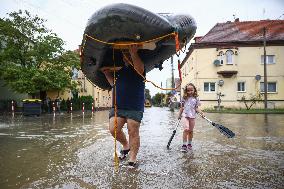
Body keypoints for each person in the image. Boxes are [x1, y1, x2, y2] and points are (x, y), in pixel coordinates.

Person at [101, 45, 145, 168]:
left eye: (127, 54)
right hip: (118, 105)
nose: (126, 56)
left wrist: (133, 53)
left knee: (133, 130)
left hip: (134, 105)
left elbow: (140, 70)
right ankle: (126, 145)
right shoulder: (119, 70)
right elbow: (114, 84)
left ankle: (132, 158)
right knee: (113, 129)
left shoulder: (139, 66)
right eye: (124, 54)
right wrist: (107, 74)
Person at [178, 83, 204, 153]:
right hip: (185, 116)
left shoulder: (196, 98)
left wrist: (201, 113)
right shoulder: (184, 98)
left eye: (191, 90)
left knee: (191, 131)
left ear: (194, 90)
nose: (190, 92)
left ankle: (189, 144)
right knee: (186, 129)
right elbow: (182, 107)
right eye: (188, 90)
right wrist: (179, 115)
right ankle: (184, 145)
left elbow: (196, 108)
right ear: (186, 91)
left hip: (192, 117)